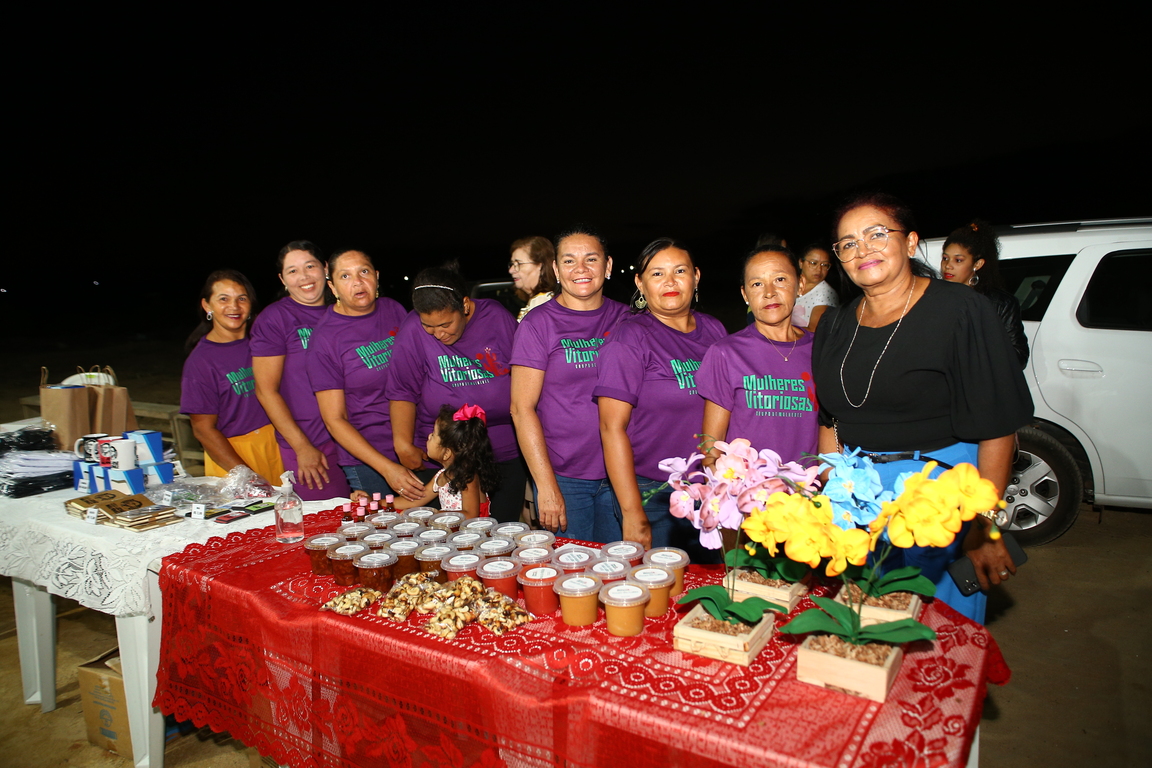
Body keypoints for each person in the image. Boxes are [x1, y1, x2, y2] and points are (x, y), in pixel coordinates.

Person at [813, 192, 1033, 623]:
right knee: (868, 635)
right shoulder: (835, 326)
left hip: (939, 501)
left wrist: (985, 526)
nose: (864, 250)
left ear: (910, 242)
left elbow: (997, 427)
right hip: (858, 503)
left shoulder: (961, 310)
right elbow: (831, 421)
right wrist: (832, 498)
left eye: (877, 234)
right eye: (848, 243)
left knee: (936, 637)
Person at [594, 238, 727, 554]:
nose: (670, 282)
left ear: (696, 276)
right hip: (653, 494)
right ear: (640, 283)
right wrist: (632, 512)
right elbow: (611, 428)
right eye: (657, 274)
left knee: (710, 590)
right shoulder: (629, 338)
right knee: (660, 596)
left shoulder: (715, 331)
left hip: (710, 489)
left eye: (680, 271)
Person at [510, 225, 628, 542]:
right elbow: (521, 409)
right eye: (569, 261)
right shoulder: (538, 324)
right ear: (556, 269)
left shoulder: (629, 320)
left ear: (608, 266)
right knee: (575, 576)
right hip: (565, 477)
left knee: (623, 577)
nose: (581, 269)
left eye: (591, 259)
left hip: (624, 473)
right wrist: (545, 485)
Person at [386, 262, 525, 521]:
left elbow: (523, 378)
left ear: (465, 304)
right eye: (429, 326)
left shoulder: (495, 317)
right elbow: (402, 390)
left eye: (445, 324)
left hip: (503, 455)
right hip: (444, 457)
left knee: (501, 533)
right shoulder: (413, 329)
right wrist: (402, 444)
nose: (438, 333)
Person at [307, 249, 424, 501]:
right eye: (345, 276)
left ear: (377, 276)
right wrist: (387, 469)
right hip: (370, 460)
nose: (358, 282)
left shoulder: (393, 309)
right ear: (333, 287)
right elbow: (334, 420)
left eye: (364, 272)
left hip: (419, 442)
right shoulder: (324, 339)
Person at [698, 245, 818, 468]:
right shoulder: (726, 353)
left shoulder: (821, 350)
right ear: (745, 294)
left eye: (780, 279)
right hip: (748, 497)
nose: (769, 292)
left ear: (800, 285)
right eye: (757, 284)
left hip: (808, 497)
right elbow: (711, 450)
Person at [250, 241, 350, 500]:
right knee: (328, 527)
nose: (304, 277)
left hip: (358, 438)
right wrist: (302, 447)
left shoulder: (344, 310)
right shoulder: (275, 319)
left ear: (325, 269)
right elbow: (265, 390)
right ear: (283, 279)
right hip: (313, 444)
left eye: (310, 266)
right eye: (293, 271)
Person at [181, 270, 284, 484]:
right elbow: (203, 429)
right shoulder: (201, 362)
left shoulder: (264, 343)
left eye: (242, 298)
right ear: (207, 306)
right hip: (233, 459)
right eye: (223, 299)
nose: (234, 307)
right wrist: (246, 476)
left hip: (279, 447)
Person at [941, 220, 1029, 367]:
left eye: (958, 260)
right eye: (945, 258)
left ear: (977, 264)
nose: (948, 265)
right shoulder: (932, 296)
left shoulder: (999, 303)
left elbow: (1018, 357)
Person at [394, 404, 498, 518]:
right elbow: (417, 500)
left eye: (433, 435)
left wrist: (433, 514)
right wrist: (380, 503)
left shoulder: (467, 478)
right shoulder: (441, 476)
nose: (429, 436)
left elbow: (471, 515)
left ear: (446, 453)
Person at [509, 235, 558, 321]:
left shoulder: (543, 303)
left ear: (540, 265)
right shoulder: (539, 301)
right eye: (512, 264)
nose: (511, 270)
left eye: (519, 264)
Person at [791, 244, 839, 331]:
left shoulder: (826, 293)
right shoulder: (790, 283)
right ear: (801, 263)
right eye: (813, 263)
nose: (819, 269)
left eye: (824, 265)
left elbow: (814, 330)